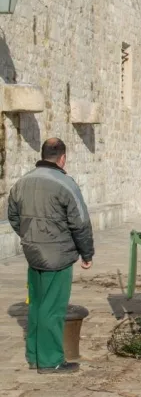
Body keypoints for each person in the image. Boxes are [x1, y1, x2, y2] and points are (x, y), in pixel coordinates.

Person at [8, 137, 94, 374]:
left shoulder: (22, 182)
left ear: (43, 154)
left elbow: (13, 216)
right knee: (53, 308)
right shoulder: (66, 184)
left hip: (33, 252)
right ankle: (51, 360)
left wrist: (30, 236)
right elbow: (81, 223)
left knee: (36, 305)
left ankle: (34, 356)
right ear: (63, 158)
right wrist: (87, 253)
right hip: (58, 255)